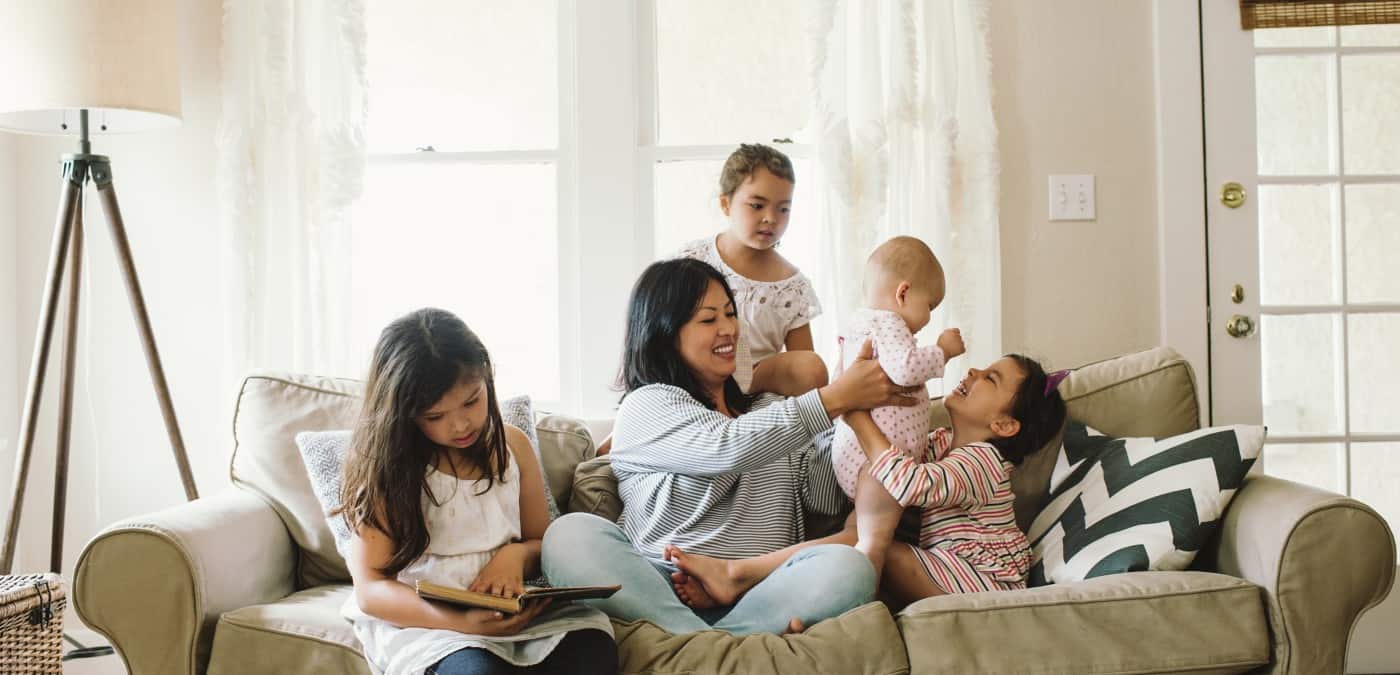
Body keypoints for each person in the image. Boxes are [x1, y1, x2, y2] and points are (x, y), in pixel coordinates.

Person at [540, 258, 919, 635]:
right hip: (658, 588)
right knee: (569, 536)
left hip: (759, 594)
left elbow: (824, 497)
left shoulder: (773, 410)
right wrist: (832, 398)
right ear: (665, 334)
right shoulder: (647, 405)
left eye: (730, 314)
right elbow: (726, 448)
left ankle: (699, 647)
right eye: (708, 320)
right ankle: (711, 644)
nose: (729, 330)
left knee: (849, 567)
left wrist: (856, 417)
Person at [665, 354, 1068, 609]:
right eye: (984, 367)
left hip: (982, 584)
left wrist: (856, 417)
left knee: (877, 550)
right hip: (945, 569)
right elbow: (892, 458)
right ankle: (770, 595)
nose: (975, 371)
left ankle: (740, 576)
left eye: (991, 379)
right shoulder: (943, 441)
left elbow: (906, 482)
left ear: (1004, 425)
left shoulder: (984, 462)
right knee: (865, 536)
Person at [338, 308, 616, 675]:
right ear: (404, 414)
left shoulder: (512, 447)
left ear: (487, 376)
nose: (460, 424)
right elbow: (370, 589)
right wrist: (462, 624)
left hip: (511, 613)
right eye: (435, 416)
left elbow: (542, 543)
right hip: (432, 624)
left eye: (472, 400)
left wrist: (514, 557)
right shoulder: (390, 468)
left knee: (594, 648)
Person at [831, 235, 965, 578]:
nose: (927, 320)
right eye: (930, 307)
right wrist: (943, 351)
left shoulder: (857, 325)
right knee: (873, 549)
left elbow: (837, 382)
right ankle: (860, 605)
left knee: (854, 539)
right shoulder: (888, 323)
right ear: (902, 293)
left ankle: (823, 594)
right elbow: (905, 368)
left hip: (859, 459)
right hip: (879, 466)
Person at [674, 142, 827, 397]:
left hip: (756, 388)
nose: (771, 218)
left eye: (783, 208)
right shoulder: (694, 260)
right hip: (695, 377)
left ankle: (739, 392)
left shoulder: (792, 285)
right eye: (757, 205)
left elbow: (804, 369)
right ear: (726, 204)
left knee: (811, 368)